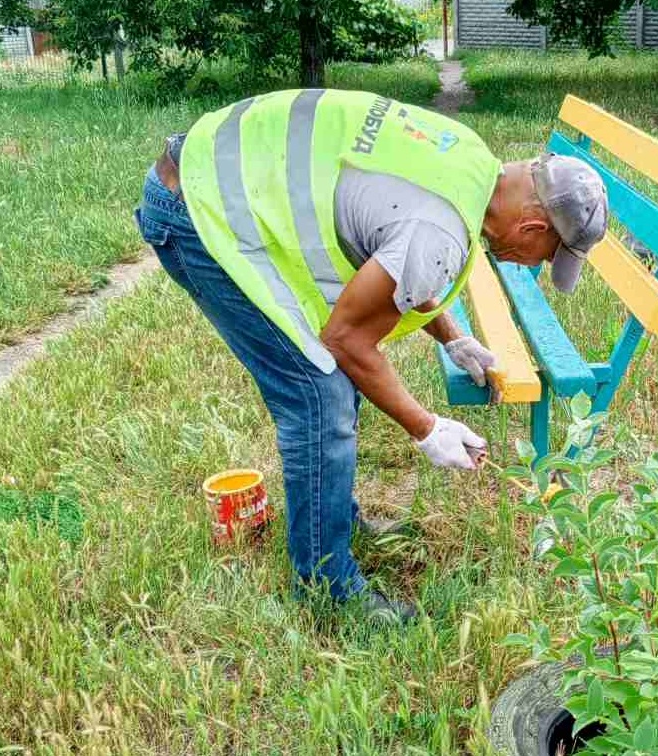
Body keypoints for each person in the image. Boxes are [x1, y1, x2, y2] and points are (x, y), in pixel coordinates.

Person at [134, 89, 609, 621]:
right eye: (546, 257)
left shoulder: (472, 161)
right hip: (200, 210)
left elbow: (392, 251)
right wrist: (427, 429)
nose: (534, 266)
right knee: (320, 391)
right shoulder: (441, 229)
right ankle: (326, 590)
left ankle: (330, 523)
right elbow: (348, 339)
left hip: (210, 169)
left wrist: (452, 337)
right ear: (532, 228)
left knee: (329, 376)